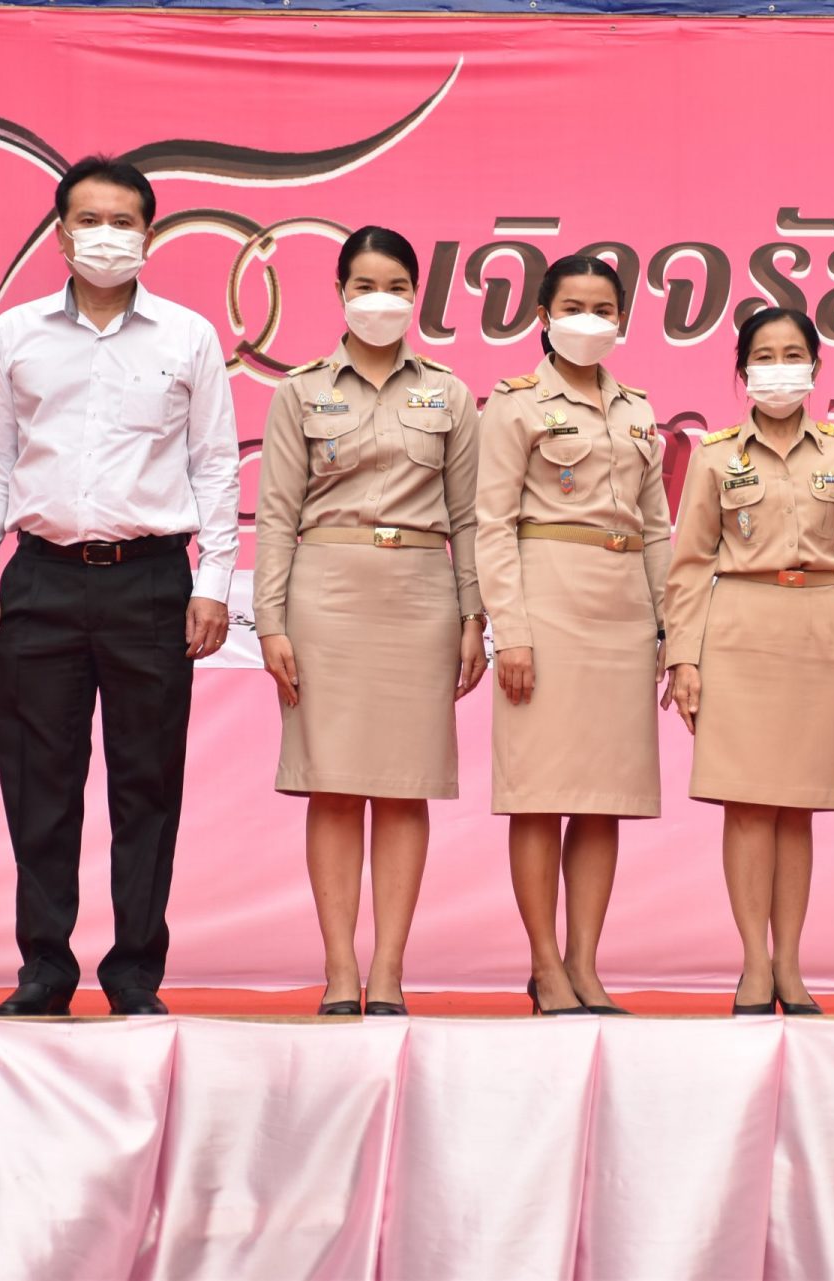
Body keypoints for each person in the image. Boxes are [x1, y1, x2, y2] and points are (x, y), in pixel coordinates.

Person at [0, 156, 239, 1017]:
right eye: (89, 220)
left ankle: (134, 973)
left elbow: (215, 465)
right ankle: (45, 967)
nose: (106, 236)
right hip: (40, 578)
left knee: (146, 785)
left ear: (149, 235)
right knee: (39, 784)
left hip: (151, 582)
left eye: (123, 222)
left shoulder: (188, 336)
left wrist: (213, 581)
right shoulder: (16, 334)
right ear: (60, 233)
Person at [253, 226, 487, 1018]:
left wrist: (473, 615)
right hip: (326, 593)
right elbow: (277, 513)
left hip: (421, 595)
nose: (379, 300)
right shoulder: (301, 390)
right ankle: (338, 968)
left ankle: (387, 969)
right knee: (332, 784)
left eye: (395, 287)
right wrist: (271, 620)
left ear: (415, 295)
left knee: (403, 785)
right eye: (364, 286)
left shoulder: (450, 394)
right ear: (340, 292)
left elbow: (470, 517)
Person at [662, 308, 834, 1015]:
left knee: (798, 808)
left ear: (816, 367)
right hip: (739, 631)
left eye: (794, 354)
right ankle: (754, 966)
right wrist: (683, 658)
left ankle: (790, 964)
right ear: (743, 371)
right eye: (764, 356)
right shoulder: (714, 455)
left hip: (819, 630)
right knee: (747, 804)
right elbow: (690, 563)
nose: (780, 367)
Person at [475, 255, 670, 1016]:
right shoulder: (515, 404)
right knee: (540, 792)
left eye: (603, 308)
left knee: (601, 797)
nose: (589, 320)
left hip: (624, 612)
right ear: (543, 318)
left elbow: (657, 527)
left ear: (621, 319)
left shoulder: (639, 409)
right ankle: (545, 966)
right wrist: (512, 632)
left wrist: (668, 625)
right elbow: (493, 524)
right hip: (547, 601)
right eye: (573, 307)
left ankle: (585, 965)